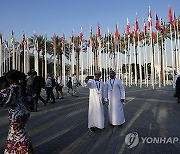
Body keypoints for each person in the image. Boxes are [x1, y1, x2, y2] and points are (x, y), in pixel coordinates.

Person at [0, 70, 34, 154]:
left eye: (7, 79)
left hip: (15, 116)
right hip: (23, 114)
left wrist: (2, 88)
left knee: (21, 138)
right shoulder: (23, 87)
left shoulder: (11, 90)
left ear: (11, 80)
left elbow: (1, 99)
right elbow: (30, 98)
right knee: (19, 135)